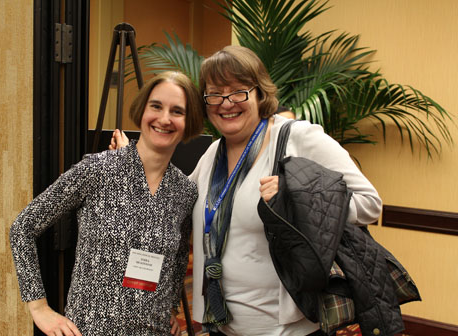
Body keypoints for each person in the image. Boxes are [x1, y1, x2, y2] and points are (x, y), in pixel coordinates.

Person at [111, 46, 382, 336]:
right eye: (215, 94)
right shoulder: (213, 153)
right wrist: (137, 163)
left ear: (259, 93)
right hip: (219, 326)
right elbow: (169, 208)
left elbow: (370, 204)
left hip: (284, 330)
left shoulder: (297, 137)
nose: (226, 103)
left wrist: (297, 197)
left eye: (239, 91)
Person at [10, 71, 204, 336]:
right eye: (156, 106)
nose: (164, 118)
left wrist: (169, 307)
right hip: (90, 329)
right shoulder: (98, 170)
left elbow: (178, 256)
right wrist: (39, 308)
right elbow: (23, 227)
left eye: (177, 111)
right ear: (142, 110)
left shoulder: (184, 190)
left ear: (189, 121)